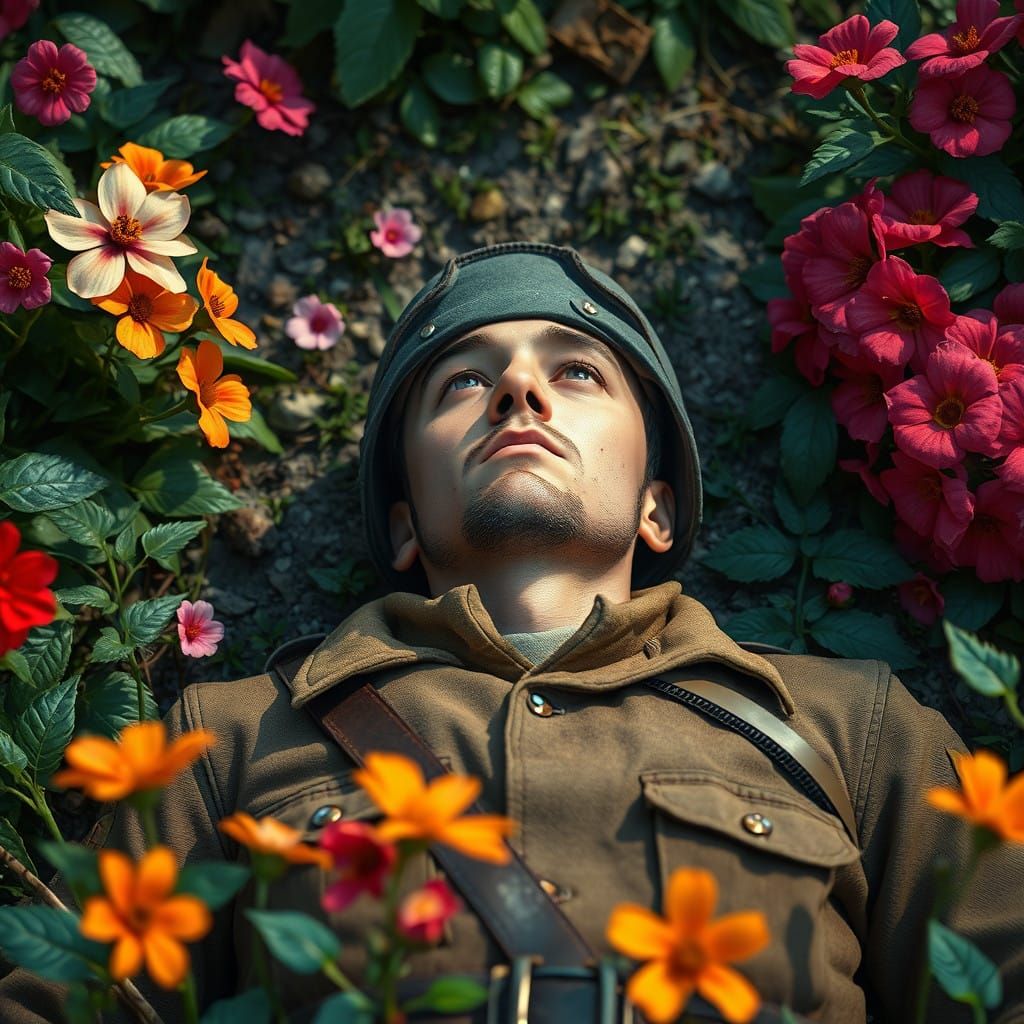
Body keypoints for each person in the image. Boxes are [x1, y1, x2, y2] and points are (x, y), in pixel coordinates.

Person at [1, 241, 1022, 1023]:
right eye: (459, 383)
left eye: (577, 371)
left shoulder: (853, 730)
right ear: (403, 522)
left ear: (658, 507)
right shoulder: (223, 743)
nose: (518, 389)